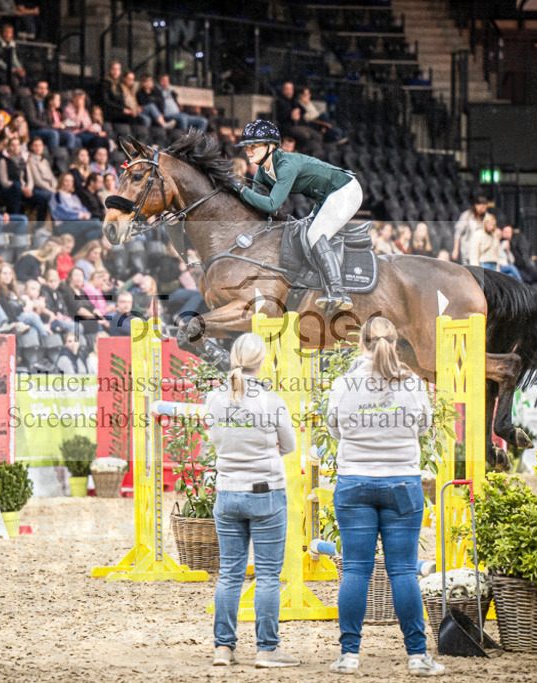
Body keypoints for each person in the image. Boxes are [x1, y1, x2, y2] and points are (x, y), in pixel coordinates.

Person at [325, 317, 444, 677]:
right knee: (403, 571)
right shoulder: (413, 383)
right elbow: (423, 427)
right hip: (402, 484)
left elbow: (334, 428)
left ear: (361, 344)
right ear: (394, 344)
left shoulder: (344, 384)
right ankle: (417, 655)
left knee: (355, 570)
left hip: (355, 482)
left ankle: (348, 655)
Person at [206, 332, 298, 668]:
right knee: (268, 575)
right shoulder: (272, 400)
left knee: (229, 573)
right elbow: (289, 445)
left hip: (228, 491)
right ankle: (267, 649)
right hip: (265, 492)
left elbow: (214, 440)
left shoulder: (214, 399)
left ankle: (223, 648)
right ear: (263, 362)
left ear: (233, 359)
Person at [233, 119, 362, 310]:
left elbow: (272, 204)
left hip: (345, 190)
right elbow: (263, 210)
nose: (248, 151)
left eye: (254, 146)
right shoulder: (262, 172)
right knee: (300, 231)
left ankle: (338, 291)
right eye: (246, 147)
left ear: (270, 146)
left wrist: (242, 190)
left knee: (315, 234)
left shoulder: (286, 165)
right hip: (324, 198)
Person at [26, 137, 59, 218]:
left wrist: (55, 187)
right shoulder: (31, 160)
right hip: (38, 188)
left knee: (61, 194)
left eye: (40, 145)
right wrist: (52, 190)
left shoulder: (45, 161)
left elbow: (52, 177)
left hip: (49, 188)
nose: (38, 148)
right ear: (31, 147)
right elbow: (37, 181)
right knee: (48, 196)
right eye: (35, 146)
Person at [452, 196, 490, 266]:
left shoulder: (487, 216)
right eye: (482, 207)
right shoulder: (466, 216)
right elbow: (458, 234)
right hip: (468, 250)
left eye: (485, 208)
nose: (483, 210)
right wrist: (455, 250)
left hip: (482, 252)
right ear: (476, 205)